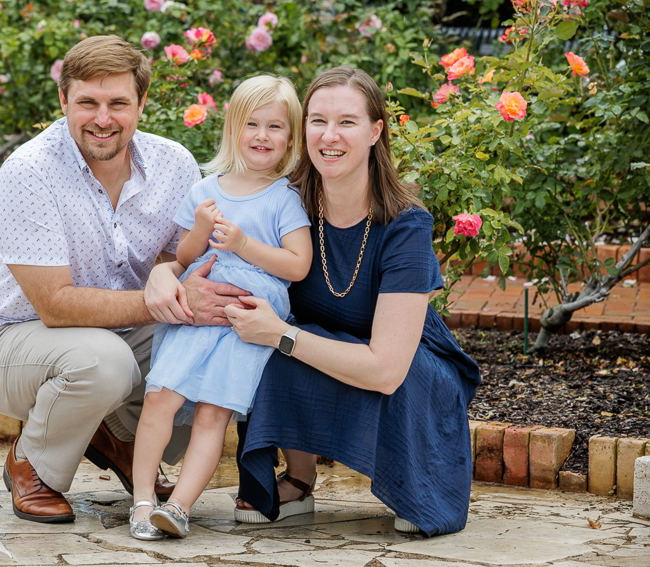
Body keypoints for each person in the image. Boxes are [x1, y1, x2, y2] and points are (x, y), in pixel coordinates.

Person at [146, 66, 481, 537]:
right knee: (261, 351)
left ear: (375, 131)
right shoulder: (285, 203)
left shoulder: (406, 226)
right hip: (320, 342)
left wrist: (279, 333)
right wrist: (162, 276)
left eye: (347, 121)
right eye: (318, 121)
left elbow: (385, 369)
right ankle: (300, 479)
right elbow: (193, 256)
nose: (330, 135)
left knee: (295, 347)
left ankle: (415, 481)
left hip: (407, 367)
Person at [0, 35, 248, 524]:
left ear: (141, 102)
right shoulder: (29, 171)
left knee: (221, 337)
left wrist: (188, 288)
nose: (103, 118)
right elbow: (54, 305)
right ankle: (32, 465)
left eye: (118, 102)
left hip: (116, 334)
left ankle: (123, 441)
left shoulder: (173, 163)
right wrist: (170, 302)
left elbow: (175, 261)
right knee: (106, 362)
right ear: (63, 101)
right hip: (15, 341)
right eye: (87, 103)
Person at [129, 76, 312, 540]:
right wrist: (199, 227)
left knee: (214, 413)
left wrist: (245, 243)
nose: (262, 135)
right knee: (160, 398)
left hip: (246, 321)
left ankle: (181, 508)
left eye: (275, 126)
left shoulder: (284, 198)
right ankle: (144, 499)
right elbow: (183, 258)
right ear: (233, 128)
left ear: (290, 138)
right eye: (252, 123)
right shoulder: (206, 191)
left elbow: (298, 265)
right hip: (197, 310)